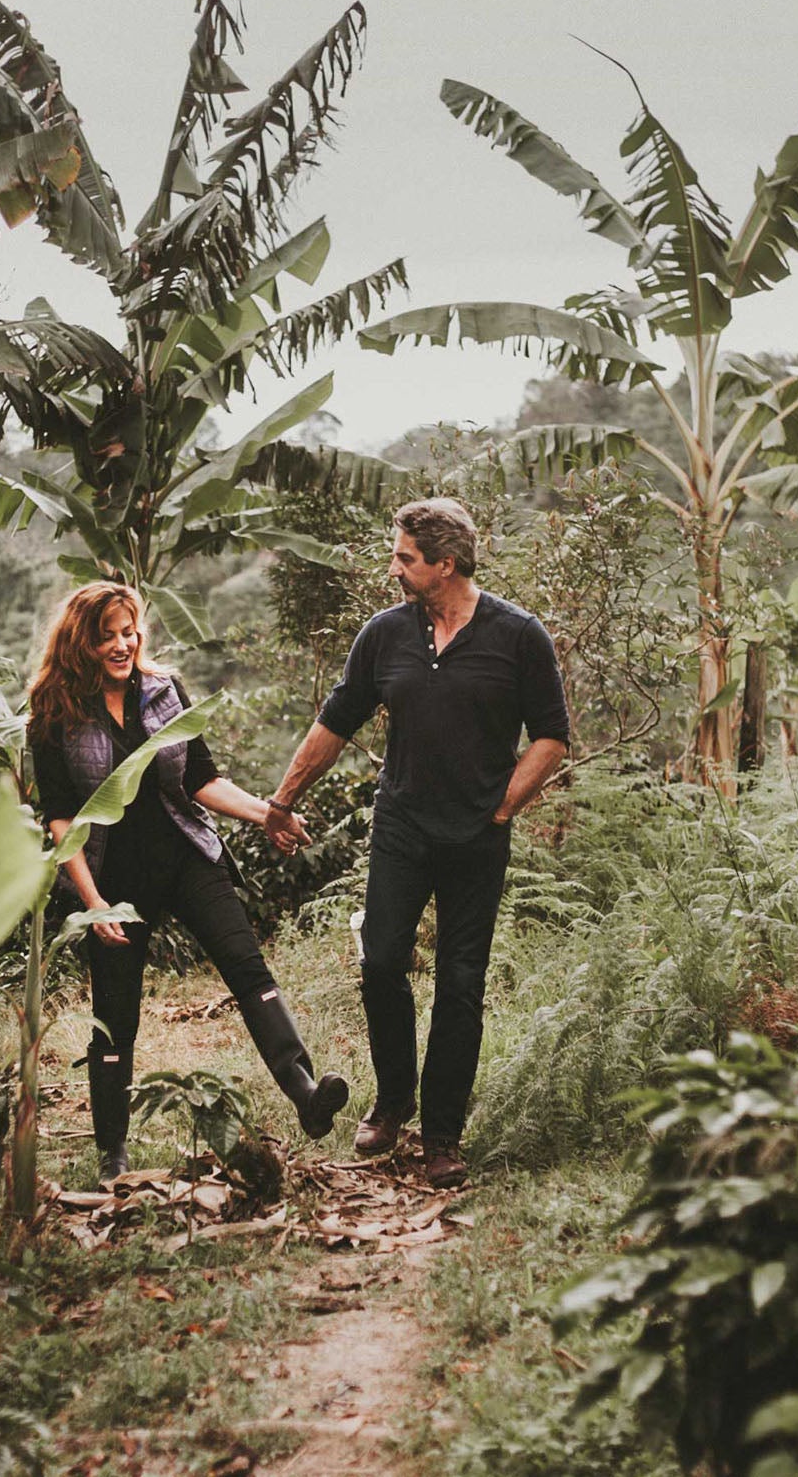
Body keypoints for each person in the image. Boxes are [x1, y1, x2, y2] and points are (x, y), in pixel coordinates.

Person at [264, 497, 570, 1188]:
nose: (394, 567)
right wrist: (282, 801)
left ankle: (443, 1134)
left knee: (461, 985)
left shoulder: (518, 635)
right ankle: (394, 1098)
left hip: (476, 839)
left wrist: (502, 810)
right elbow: (336, 721)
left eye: (405, 557)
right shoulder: (385, 634)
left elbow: (552, 734)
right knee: (380, 962)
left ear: (445, 564)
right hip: (402, 824)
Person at [28, 581, 349, 1187]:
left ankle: (306, 1091)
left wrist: (269, 812)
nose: (124, 644)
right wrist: (94, 904)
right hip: (112, 880)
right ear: (81, 643)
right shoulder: (55, 712)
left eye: (129, 632)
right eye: (108, 636)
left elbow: (201, 778)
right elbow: (61, 817)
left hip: (187, 855)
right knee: (115, 1016)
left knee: (246, 965)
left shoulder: (163, 690)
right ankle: (113, 1153)